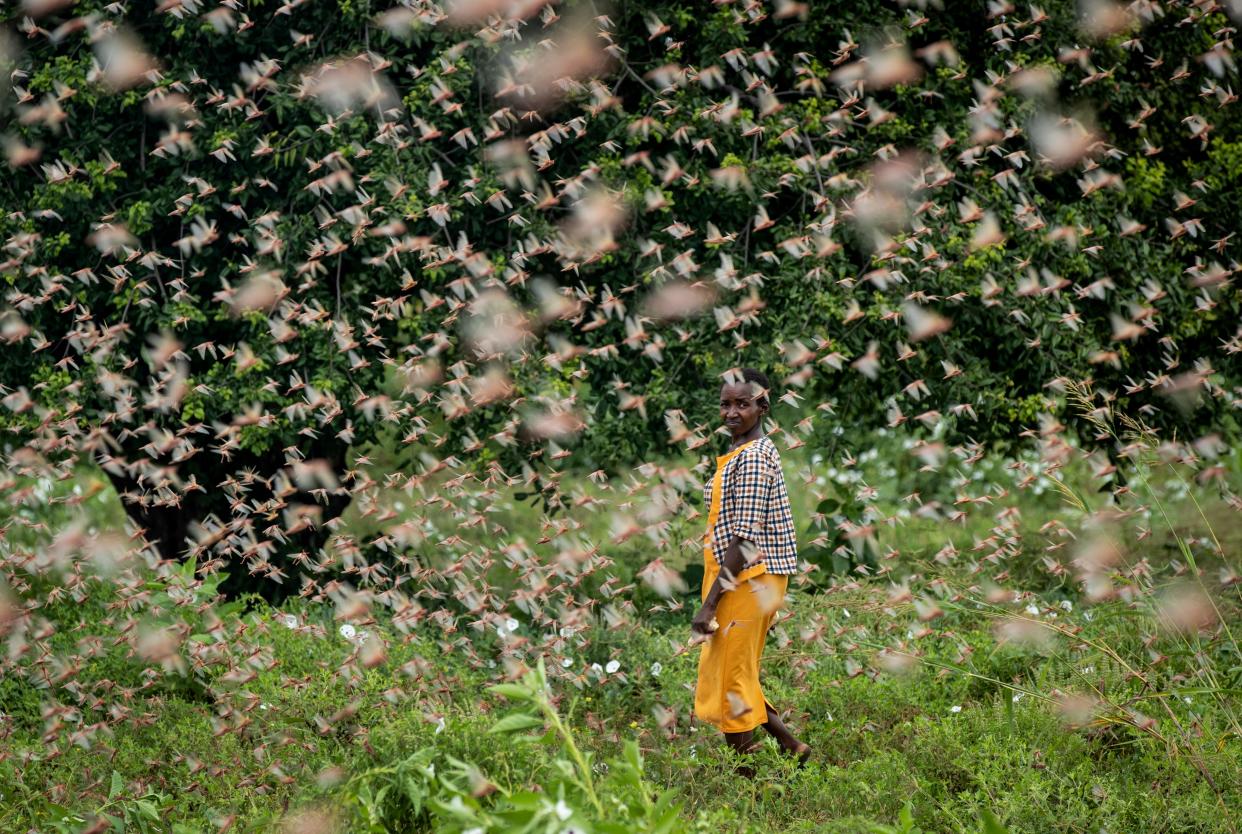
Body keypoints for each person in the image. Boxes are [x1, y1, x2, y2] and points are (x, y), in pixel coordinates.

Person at [691, 367, 810, 776]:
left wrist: (709, 606)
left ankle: (752, 789)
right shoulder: (740, 454)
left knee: (731, 684)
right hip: (739, 578)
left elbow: (744, 539)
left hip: (750, 580)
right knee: (737, 671)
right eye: (725, 403)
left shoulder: (756, 459)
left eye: (743, 403)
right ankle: (791, 746)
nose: (731, 412)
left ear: (763, 404)